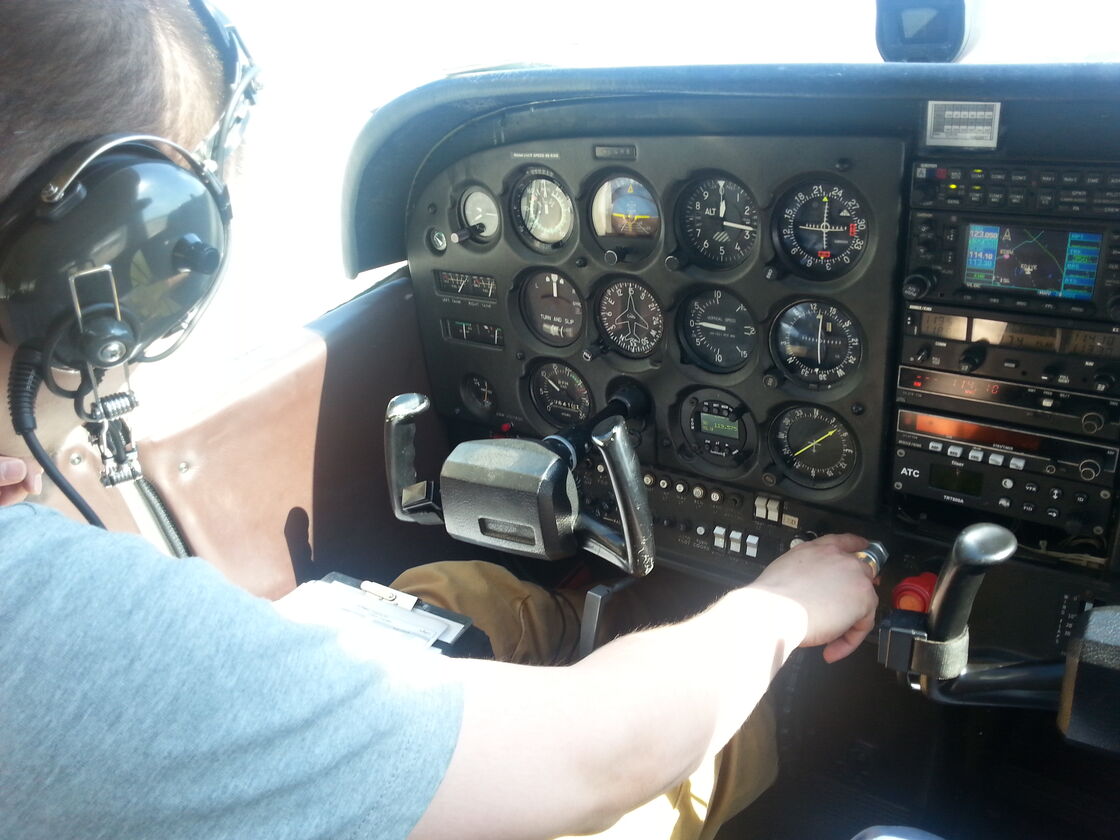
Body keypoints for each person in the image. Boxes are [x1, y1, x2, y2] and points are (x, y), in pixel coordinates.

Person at [0, 3, 883, 839]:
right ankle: (773, 731)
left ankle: (602, 634)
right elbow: (600, 756)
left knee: (464, 595)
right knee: (712, 738)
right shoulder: (52, 625)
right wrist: (781, 608)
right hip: (590, 751)